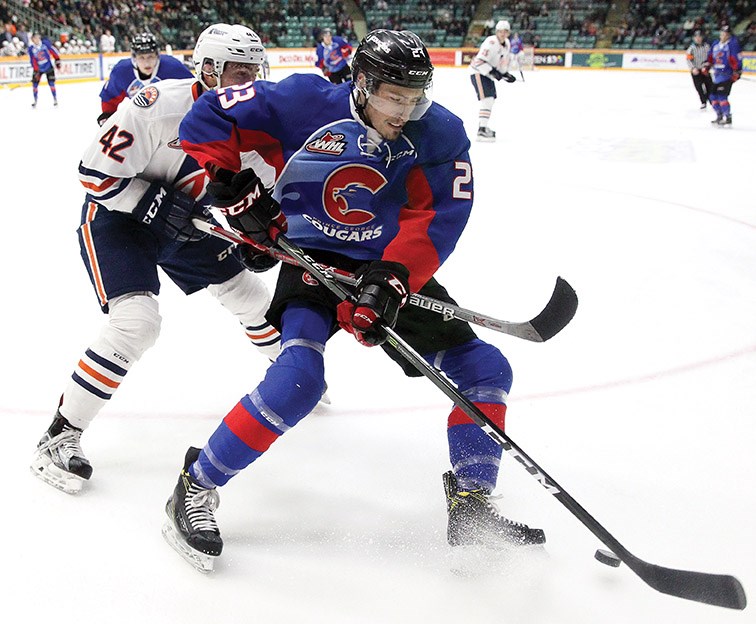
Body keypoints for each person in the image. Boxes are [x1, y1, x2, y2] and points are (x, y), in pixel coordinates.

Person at [163, 28, 546, 572]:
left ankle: (471, 503)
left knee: (484, 367)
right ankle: (194, 485)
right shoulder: (301, 101)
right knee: (298, 379)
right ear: (362, 84)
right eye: (395, 96)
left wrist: (393, 281)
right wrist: (231, 183)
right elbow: (208, 119)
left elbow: (437, 220)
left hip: (383, 268)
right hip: (310, 262)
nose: (406, 110)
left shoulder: (438, 134)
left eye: (416, 98)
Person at [30, 24, 281, 496]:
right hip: (121, 219)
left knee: (252, 299)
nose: (246, 82)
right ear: (207, 70)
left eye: (252, 71)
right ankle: (59, 434)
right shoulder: (156, 105)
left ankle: (287, 375)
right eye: (235, 72)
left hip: (189, 224)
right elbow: (93, 175)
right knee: (137, 322)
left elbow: (257, 196)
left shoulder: (260, 127)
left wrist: (259, 232)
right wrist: (160, 206)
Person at [98, 31, 192, 126]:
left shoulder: (172, 67)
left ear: (157, 55)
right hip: (141, 122)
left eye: (150, 56)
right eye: (141, 57)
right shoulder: (122, 71)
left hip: (171, 120)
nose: (147, 63)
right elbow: (110, 97)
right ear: (134, 58)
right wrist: (108, 115)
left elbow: (194, 90)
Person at [469, 20, 516, 142]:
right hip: (478, 72)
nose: (503, 34)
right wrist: (492, 72)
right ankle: (482, 129)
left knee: (490, 100)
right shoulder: (491, 42)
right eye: (500, 31)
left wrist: (505, 74)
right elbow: (479, 61)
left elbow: (501, 62)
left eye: (505, 31)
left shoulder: (506, 44)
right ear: (496, 32)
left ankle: (483, 127)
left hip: (487, 74)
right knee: (487, 100)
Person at [707, 24, 742, 126]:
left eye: (726, 33)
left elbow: (737, 59)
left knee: (722, 96)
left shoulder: (733, 45)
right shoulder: (715, 44)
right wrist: (707, 65)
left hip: (727, 75)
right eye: (722, 33)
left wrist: (737, 71)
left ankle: (727, 117)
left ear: (729, 35)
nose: (723, 35)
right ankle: (719, 115)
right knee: (712, 96)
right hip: (717, 76)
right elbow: (710, 57)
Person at [28, 32, 60, 108]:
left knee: (51, 83)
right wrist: (36, 70)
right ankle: (35, 100)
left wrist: (57, 59)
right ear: (32, 39)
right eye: (35, 38)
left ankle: (55, 99)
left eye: (38, 37)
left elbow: (52, 51)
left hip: (48, 67)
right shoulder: (31, 49)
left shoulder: (45, 44)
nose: (37, 39)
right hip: (39, 68)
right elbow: (33, 60)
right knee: (35, 85)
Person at [686, 30, 712, 110]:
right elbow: (689, 59)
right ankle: (703, 101)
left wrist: (707, 66)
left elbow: (710, 57)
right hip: (696, 71)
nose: (698, 39)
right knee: (699, 87)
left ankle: (711, 100)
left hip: (705, 70)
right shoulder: (691, 48)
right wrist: (693, 68)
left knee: (709, 86)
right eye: (696, 37)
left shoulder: (706, 47)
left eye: (699, 37)